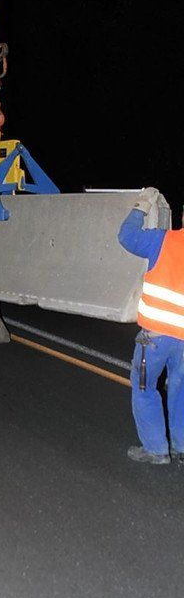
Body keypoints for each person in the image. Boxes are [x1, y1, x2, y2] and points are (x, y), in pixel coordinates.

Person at [118, 186, 184, 465]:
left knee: (145, 389)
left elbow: (127, 236)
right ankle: (182, 447)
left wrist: (141, 206)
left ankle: (156, 449)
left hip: (156, 338)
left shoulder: (164, 240)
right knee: (181, 391)